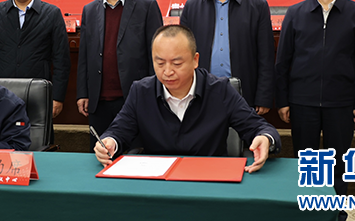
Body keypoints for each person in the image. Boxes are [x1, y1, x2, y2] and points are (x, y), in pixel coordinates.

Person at [95, 25, 280, 173]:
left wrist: (265, 138)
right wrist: (110, 142)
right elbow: (119, 131)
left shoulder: (220, 91)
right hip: (158, 181)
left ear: (195, 60)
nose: (167, 71)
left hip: (209, 178)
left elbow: (260, 127)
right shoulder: (141, 92)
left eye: (177, 63)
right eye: (160, 63)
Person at [275, 0, 355, 218]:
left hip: (341, 102)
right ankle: (307, 213)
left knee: (338, 163)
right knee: (306, 164)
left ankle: (336, 215)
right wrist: (282, 101)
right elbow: (282, 62)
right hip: (302, 101)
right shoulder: (296, 13)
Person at [77, 0, 163, 150]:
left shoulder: (146, 6)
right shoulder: (90, 10)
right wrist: (82, 92)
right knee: (100, 154)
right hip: (98, 101)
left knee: (134, 155)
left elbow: (156, 54)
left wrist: (154, 93)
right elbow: (84, 55)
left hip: (133, 97)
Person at [180, 0, 275, 114]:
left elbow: (266, 56)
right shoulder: (192, 6)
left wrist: (264, 96)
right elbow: (183, 54)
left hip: (243, 92)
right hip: (201, 92)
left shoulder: (257, 5)